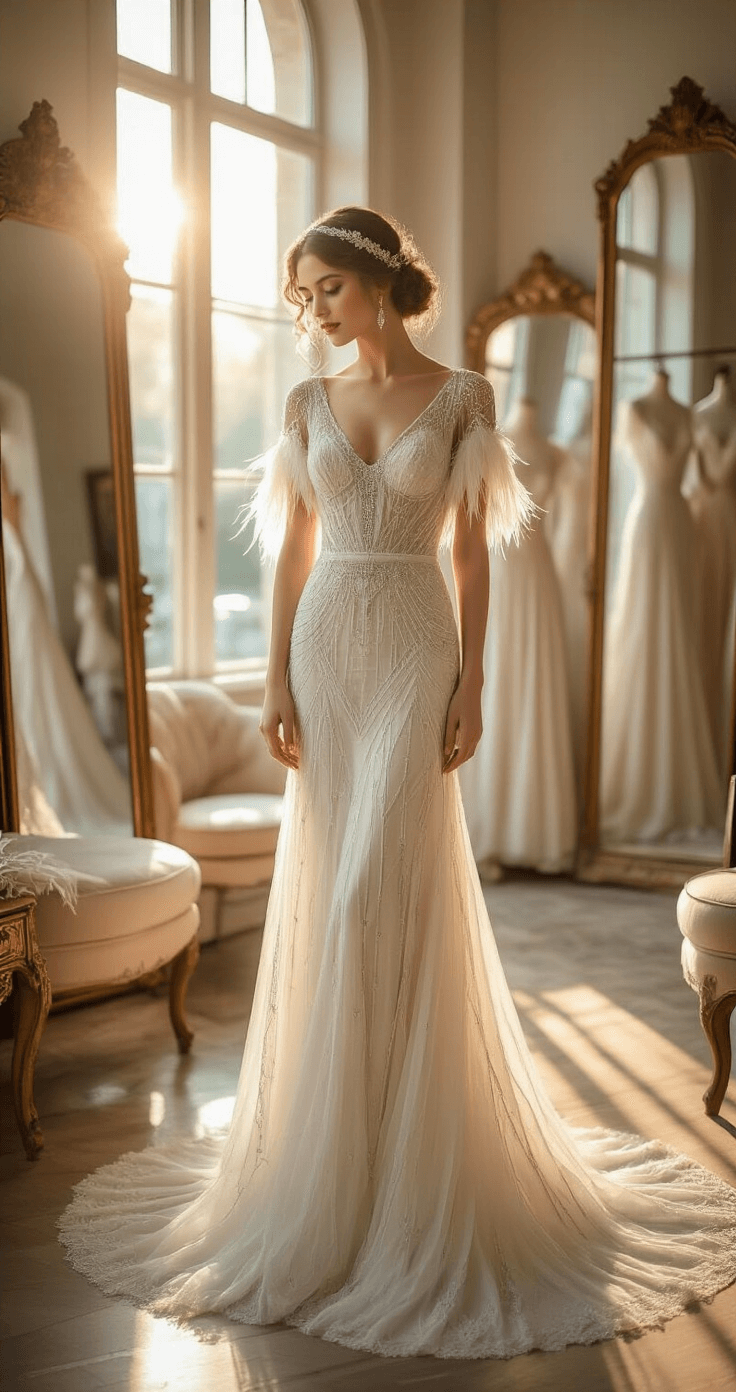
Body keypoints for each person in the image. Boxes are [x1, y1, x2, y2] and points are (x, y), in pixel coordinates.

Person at [60, 208, 736, 1360]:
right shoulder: (303, 404)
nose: (314, 310)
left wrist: (473, 683)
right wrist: (274, 677)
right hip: (327, 647)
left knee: (389, 878)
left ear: (378, 282)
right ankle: (331, 1156)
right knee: (336, 889)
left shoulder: (463, 397)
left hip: (418, 644)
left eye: (327, 286)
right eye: (302, 294)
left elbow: (471, 550)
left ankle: (415, 1158)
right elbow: (292, 547)